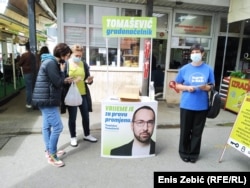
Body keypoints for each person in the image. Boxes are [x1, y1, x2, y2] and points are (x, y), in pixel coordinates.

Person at [32, 43, 72, 167]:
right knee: (58, 127)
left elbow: (55, 82)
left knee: (46, 126)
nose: (68, 59)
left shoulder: (49, 62)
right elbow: (58, 82)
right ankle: (52, 155)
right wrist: (62, 72)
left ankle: (48, 150)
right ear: (61, 55)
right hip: (47, 100)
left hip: (45, 99)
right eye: (67, 56)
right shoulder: (51, 64)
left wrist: (64, 78)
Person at [175, 43, 215, 163]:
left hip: (202, 106)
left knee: (197, 132)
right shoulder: (184, 69)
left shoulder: (208, 69)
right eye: (193, 52)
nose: (195, 54)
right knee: (185, 130)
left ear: (202, 54)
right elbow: (177, 84)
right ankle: (183, 152)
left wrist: (205, 88)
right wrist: (187, 88)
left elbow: (212, 86)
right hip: (187, 105)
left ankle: (193, 154)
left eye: (197, 52)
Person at [63, 44, 97, 147]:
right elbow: (63, 80)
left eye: (80, 56)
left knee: (86, 116)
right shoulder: (66, 64)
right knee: (72, 117)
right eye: (76, 55)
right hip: (72, 94)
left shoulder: (84, 64)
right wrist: (72, 80)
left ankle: (87, 134)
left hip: (83, 94)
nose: (78, 57)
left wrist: (89, 80)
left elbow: (86, 78)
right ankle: (73, 137)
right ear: (71, 54)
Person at [18, 42, 37, 108]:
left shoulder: (24, 55)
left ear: (26, 47)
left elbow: (19, 64)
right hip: (33, 73)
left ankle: (29, 103)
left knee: (28, 89)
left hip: (27, 73)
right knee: (33, 88)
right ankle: (35, 102)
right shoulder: (33, 55)